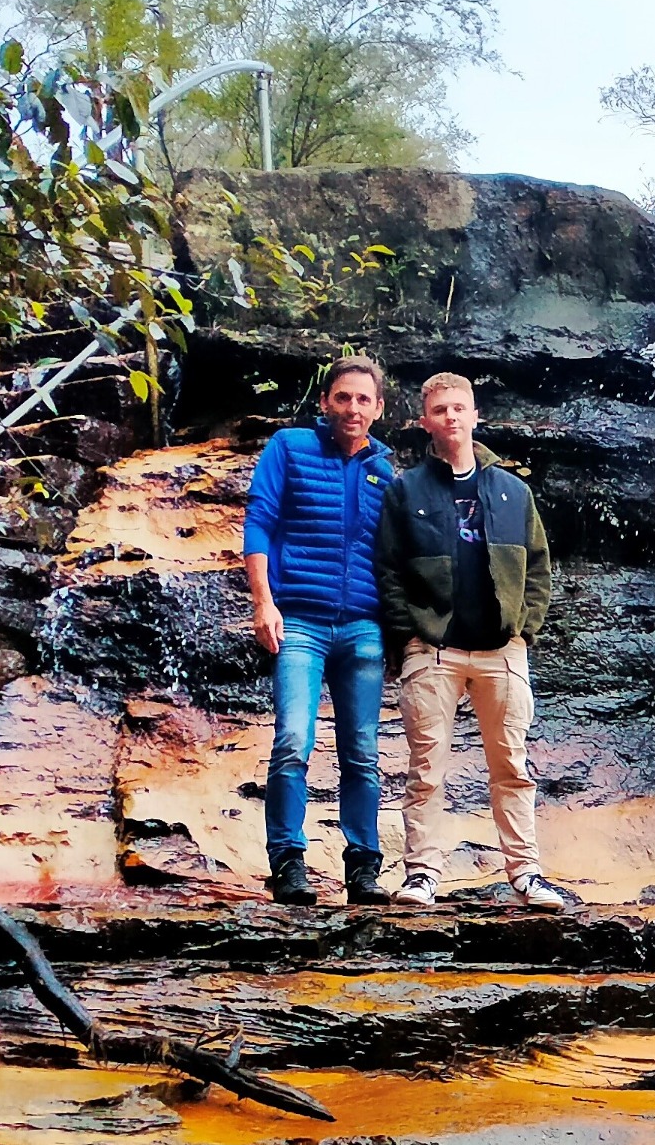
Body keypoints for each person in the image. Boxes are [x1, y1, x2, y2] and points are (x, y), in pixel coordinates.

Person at [374, 372, 579, 909]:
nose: (451, 417)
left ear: (475, 414)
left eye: (459, 408)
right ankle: (421, 874)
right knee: (426, 768)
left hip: (501, 651)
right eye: (440, 410)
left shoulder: (513, 491)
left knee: (512, 765)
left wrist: (524, 629)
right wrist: (409, 631)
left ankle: (527, 873)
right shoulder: (406, 490)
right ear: (426, 421)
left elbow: (538, 567)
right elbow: (388, 570)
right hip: (433, 650)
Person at [244, 356, 399, 905]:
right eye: (343, 397)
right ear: (325, 402)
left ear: (378, 409)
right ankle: (287, 861)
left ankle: (363, 870)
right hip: (301, 622)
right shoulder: (289, 447)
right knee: (292, 743)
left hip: (362, 627)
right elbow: (259, 521)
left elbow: (396, 555)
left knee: (362, 753)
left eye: (363, 399)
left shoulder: (386, 469)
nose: (352, 408)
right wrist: (264, 603)